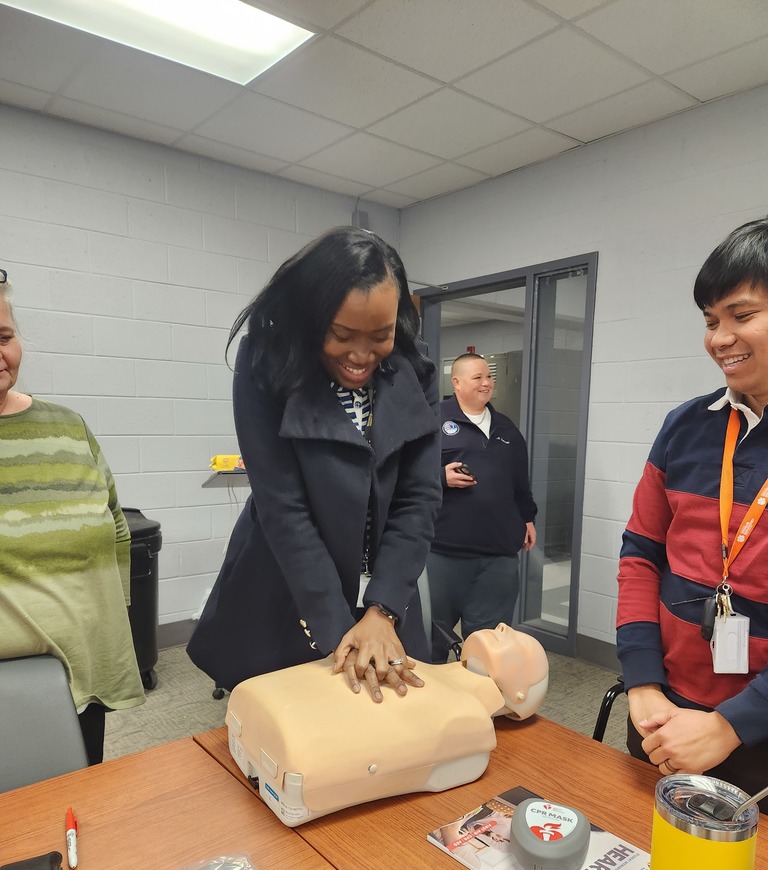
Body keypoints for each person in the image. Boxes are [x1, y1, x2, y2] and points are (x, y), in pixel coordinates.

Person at [187, 226, 441, 702]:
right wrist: (340, 630)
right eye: (342, 335)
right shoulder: (266, 363)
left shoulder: (415, 367)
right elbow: (284, 508)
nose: (361, 356)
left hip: (388, 588)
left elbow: (419, 496)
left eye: (380, 335)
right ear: (311, 316)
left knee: (399, 729)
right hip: (293, 589)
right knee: (298, 736)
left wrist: (382, 611)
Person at [617, 217, 768, 808]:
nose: (720, 338)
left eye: (742, 314)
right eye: (711, 321)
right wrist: (643, 685)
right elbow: (639, 553)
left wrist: (732, 725)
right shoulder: (686, 426)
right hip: (662, 715)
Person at [0, 268, 145, 764]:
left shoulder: (69, 427)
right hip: (11, 688)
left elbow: (116, 525)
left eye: (4, 336)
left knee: (79, 801)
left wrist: (111, 617)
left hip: (86, 668)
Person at [427, 353, 537, 662]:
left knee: (489, 650)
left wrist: (527, 518)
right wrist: (439, 477)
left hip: (497, 559)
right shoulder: (432, 421)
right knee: (429, 642)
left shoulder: (506, 428)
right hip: (441, 554)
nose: (486, 383)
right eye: (478, 378)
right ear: (457, 382)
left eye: (489, 377)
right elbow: (401, 477)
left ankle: (480, 707)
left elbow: (519, 482)